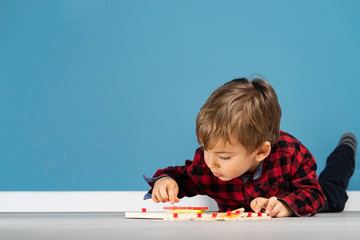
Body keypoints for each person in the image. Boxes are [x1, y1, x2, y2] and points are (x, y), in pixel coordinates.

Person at [143, 77, 357, 217]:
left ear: (261, 152)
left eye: (224, 157)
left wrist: (285, 205)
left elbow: (313, 193)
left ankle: (345, 149)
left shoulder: (291, 154)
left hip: (309, 193)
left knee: (333, 189)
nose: (211, 162)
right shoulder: (208, 165)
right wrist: (165, 181)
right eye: (205, 150)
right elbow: (180, 176)